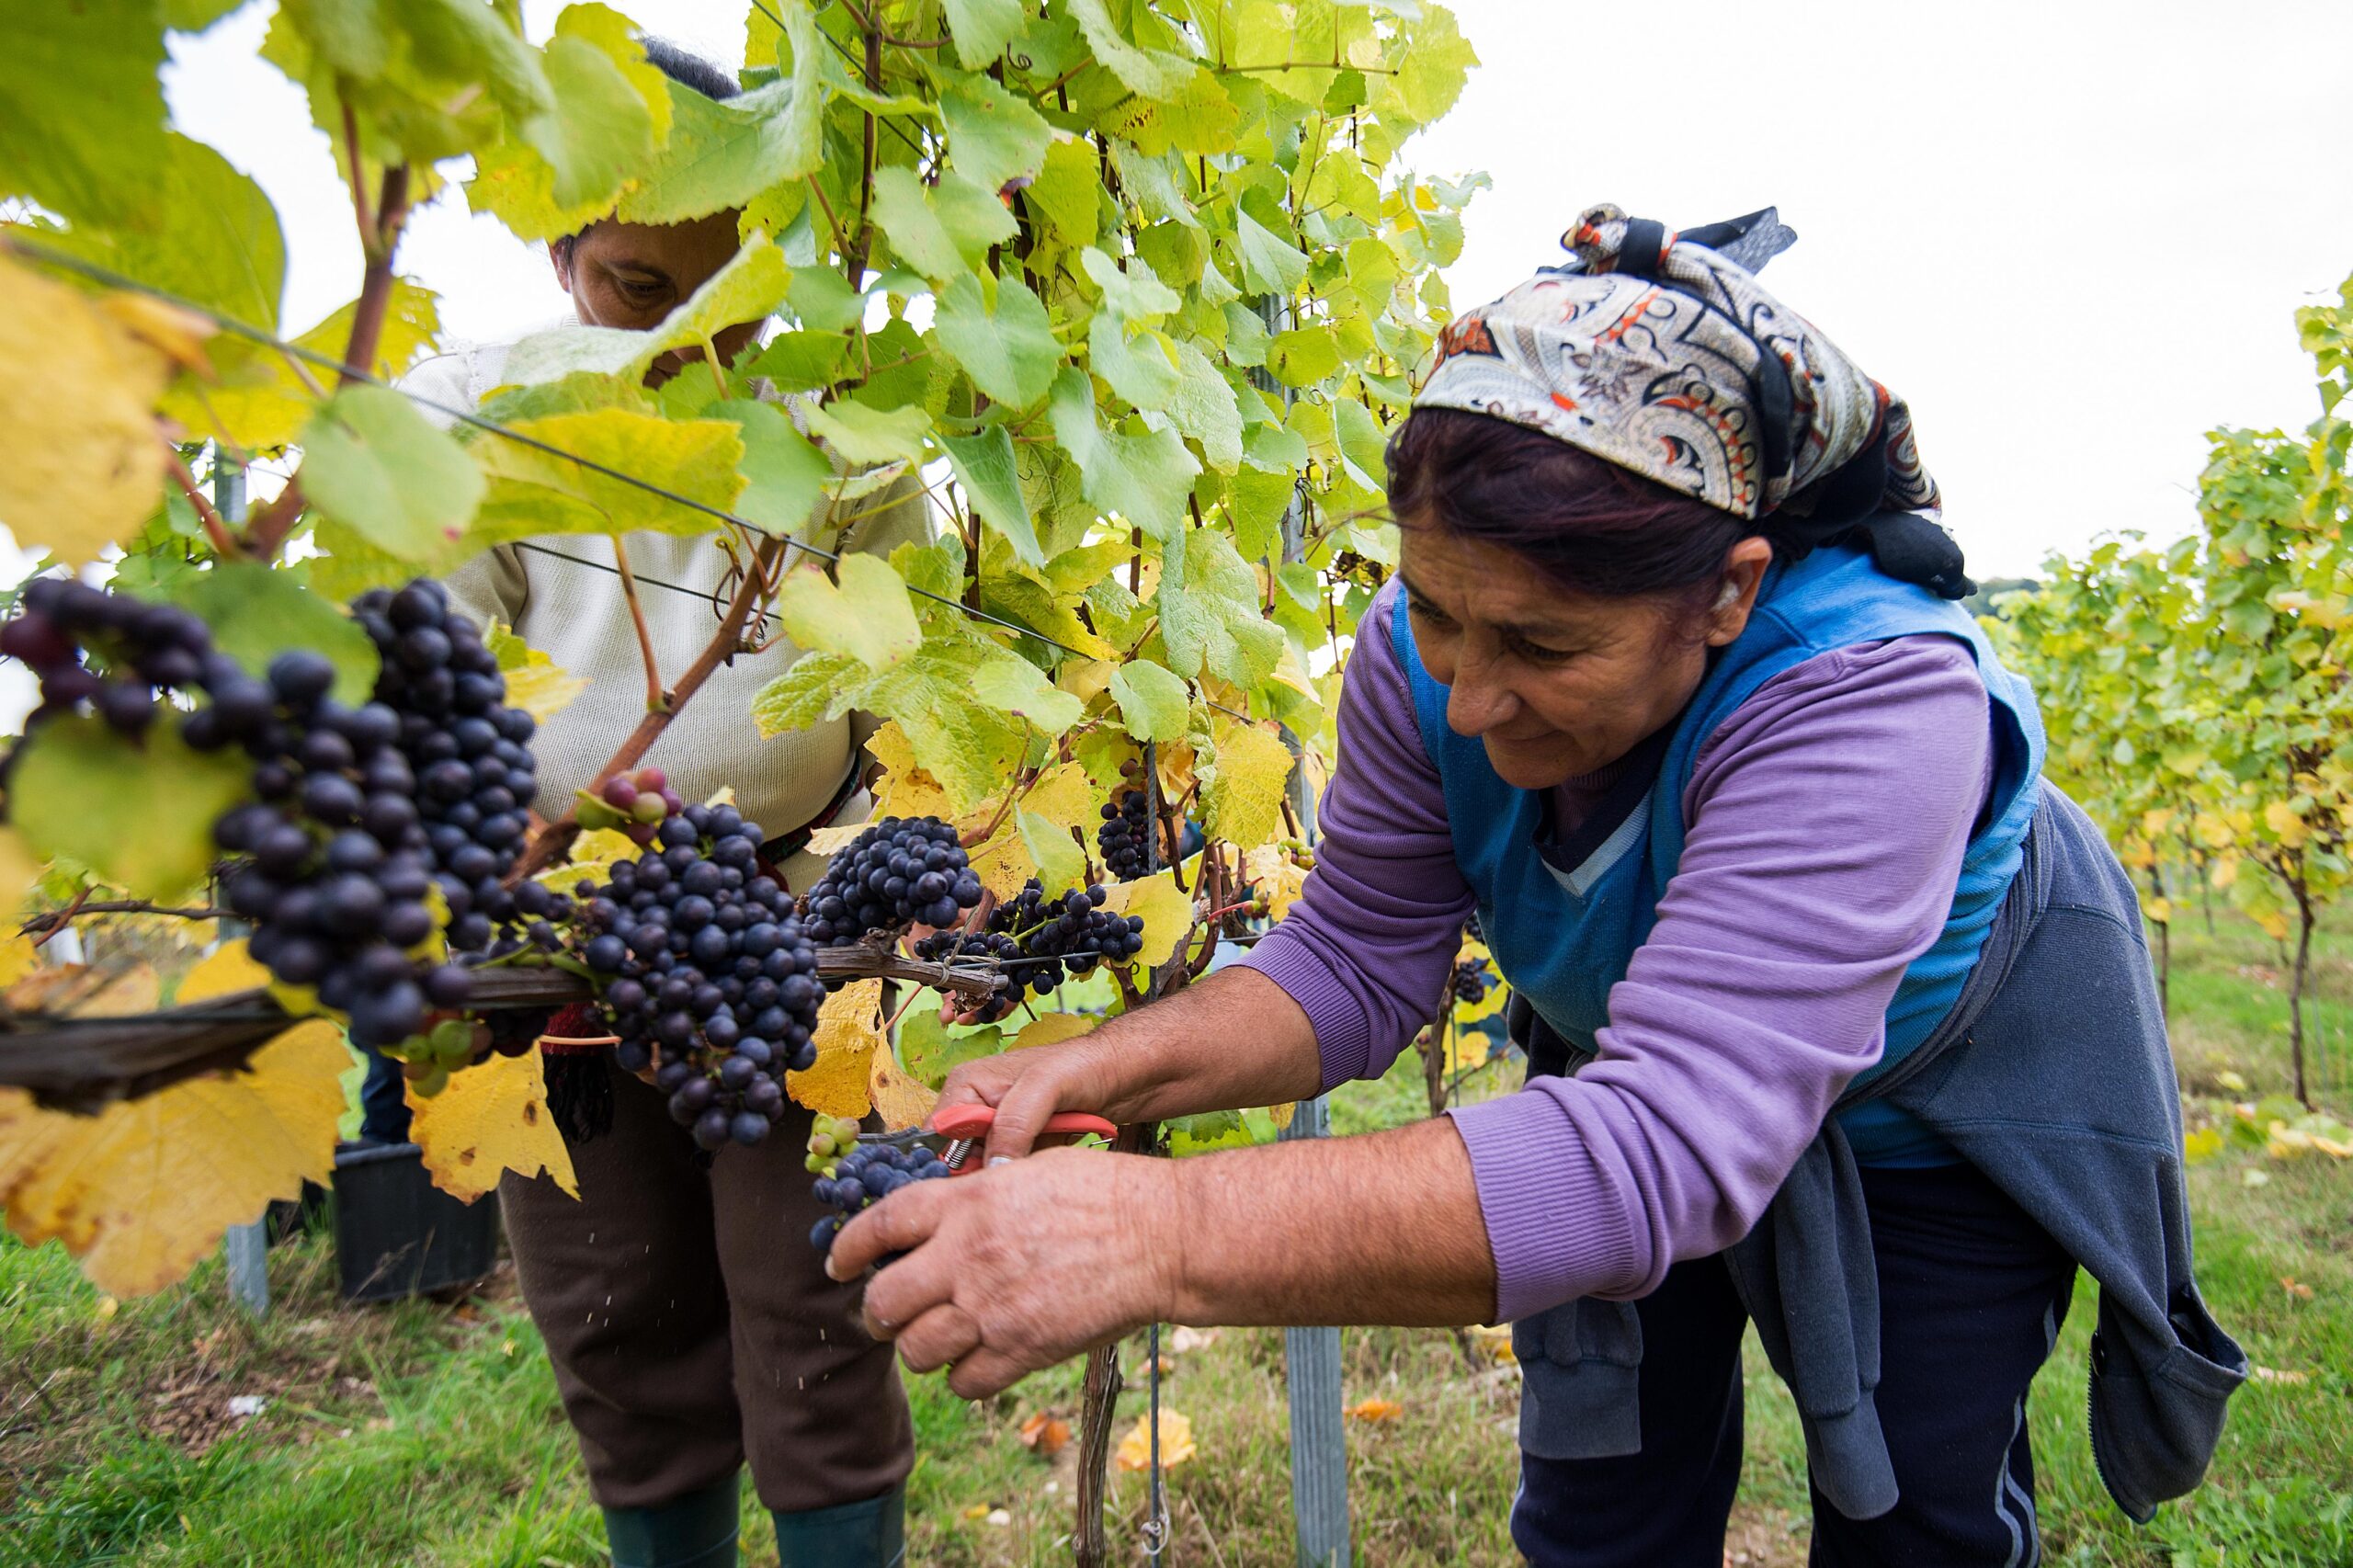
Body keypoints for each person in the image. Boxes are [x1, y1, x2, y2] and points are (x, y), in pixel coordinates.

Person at [829, 207, 2249, 1565]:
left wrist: (1160, 1231)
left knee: (1918, 1522)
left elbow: (1664, 1149)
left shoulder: (1870, 695)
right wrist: (1100, 1062)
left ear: (1730, 592)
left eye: (1545, 644)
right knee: (1602, 1512)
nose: (1472, 699)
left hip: (1930, 1097)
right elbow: (1359, 959)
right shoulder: (1416, 654)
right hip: (1630, 1070)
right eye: (1440, 613)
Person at [400, 40, 926, 1568]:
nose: (701, 345)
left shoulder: (844, 427)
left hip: (791, 919)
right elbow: (441, 708)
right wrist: (487, 864)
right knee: (614, 1299)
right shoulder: (477, 419)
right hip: (559, 925)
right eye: (644, 290)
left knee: (815, 1295)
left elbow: (909, 688)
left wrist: (872, 889)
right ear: (561, 257)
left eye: (734, 299)